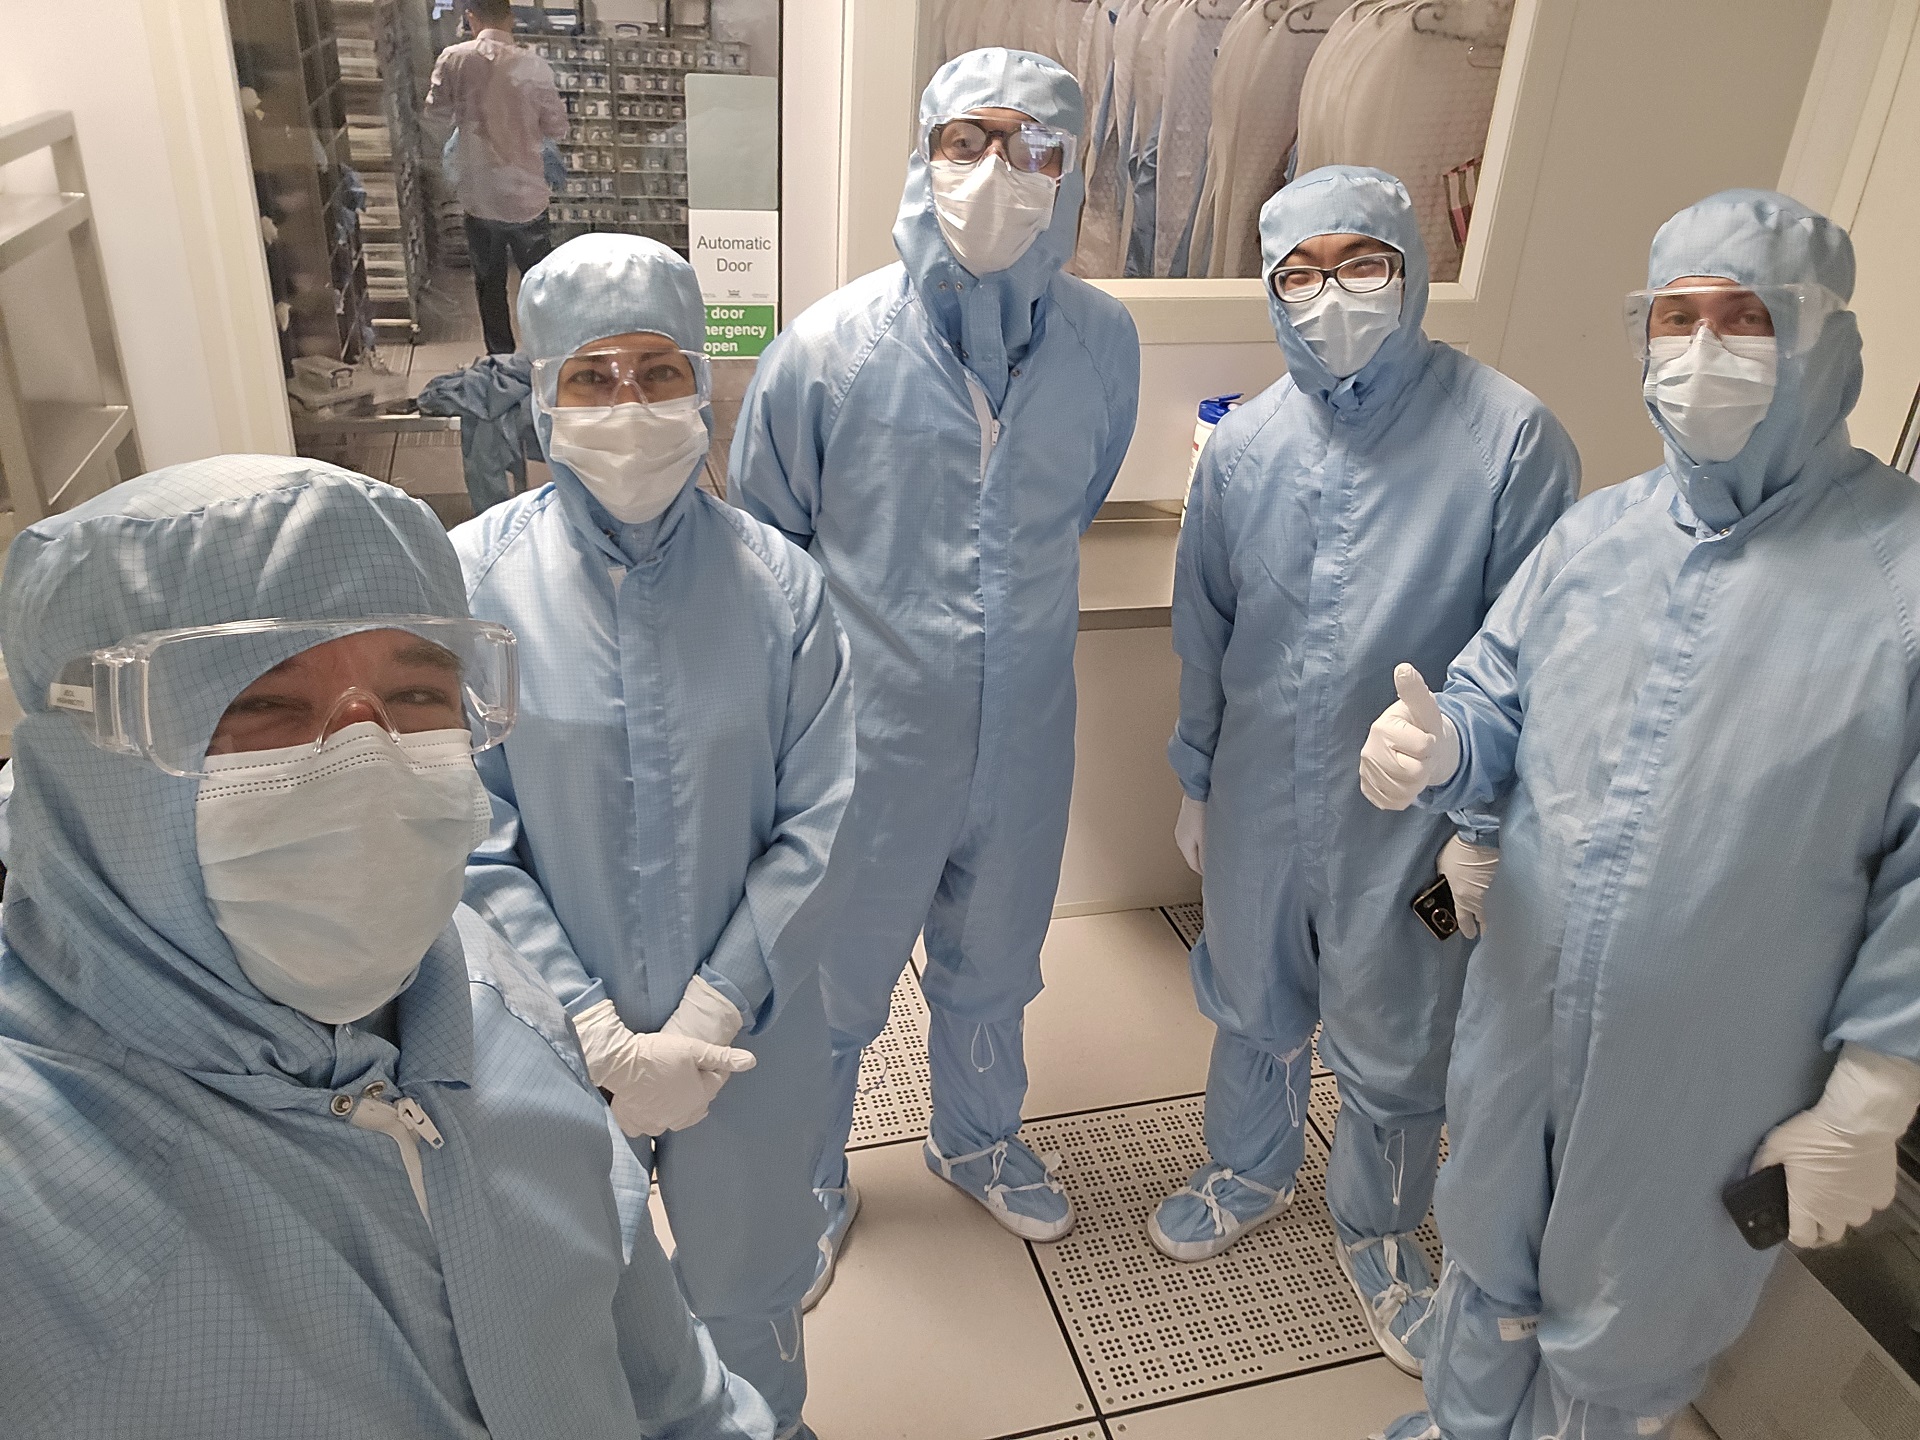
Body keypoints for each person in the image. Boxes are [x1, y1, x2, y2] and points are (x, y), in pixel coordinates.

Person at [0, 455, 774, 1440]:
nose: (368, 766)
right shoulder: (31, 1205)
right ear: (86, 758)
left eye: (415, 696)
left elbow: (661, 1373)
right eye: (261, 705)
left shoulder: (488, 997)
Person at [1359, 190, 1920, 1440]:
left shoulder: (1900, 581)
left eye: (1745, 317)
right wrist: (1442, 748)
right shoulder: (1595, 537)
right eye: (1678, 316)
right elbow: (1494, 703)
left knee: (1627, 1321)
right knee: (1485, 1255)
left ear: (1822, 336)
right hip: (1521, 1007)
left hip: (1710, 1069)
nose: (1703, 351)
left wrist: (1875, 1093)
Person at [1158, 164, 1579, 1374]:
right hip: (1257, 792)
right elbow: (1206, 626)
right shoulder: (1246, 447)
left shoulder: (1509, 440)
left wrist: (1485, 821)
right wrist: (1197, 776)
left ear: (1413, 269)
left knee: (1400, 1031)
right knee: (1250, 990)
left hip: (1417, 812)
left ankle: (1384, 1232)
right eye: (1299, 272)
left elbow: (1544, 653)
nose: (1329, 294)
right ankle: (1247, 1168)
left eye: (1361, 263)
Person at [731, 47, 1140, 1292]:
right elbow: (765, 555)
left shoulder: (1102, 344)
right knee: (834, 972)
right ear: (924, 156)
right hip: (871, 736)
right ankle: (806, 1174)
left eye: (1032, 146)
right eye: (969, 141)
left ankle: (976, 1137)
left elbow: (1074, 497)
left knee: (999, 951)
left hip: (1028, 724)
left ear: (1071, 173)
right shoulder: (828, 350)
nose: (996, 172)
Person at [454, 234, 854, 1440]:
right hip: (543, 1040)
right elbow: (468, 829)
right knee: (575, 1296)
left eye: (658, 371)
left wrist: (712, 1012)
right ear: (541, 394)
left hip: (749, 1037)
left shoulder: (782, 589)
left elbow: (823, 817)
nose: (628, 405)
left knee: (752, 1284)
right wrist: (587, 1028)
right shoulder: (471, 587)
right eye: (592, 376)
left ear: (702, 385)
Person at [423, 0, 568, 356]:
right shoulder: (534, 66)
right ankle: (545, 355)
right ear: (511, 19)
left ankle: (500, 358)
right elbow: (557, 127)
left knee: (489, 285)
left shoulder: (453, 59)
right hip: (526, 195)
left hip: (480, 195)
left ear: (471, 18)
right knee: (539, 283)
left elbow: (435, 116)